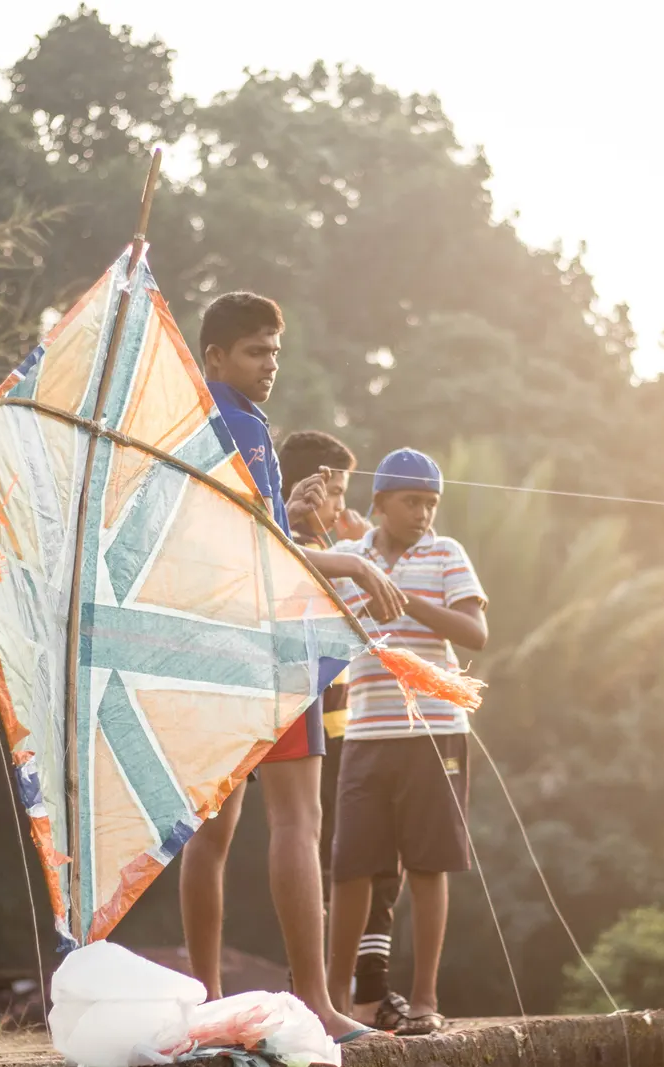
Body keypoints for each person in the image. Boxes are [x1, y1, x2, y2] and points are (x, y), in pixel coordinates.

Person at [178, 292, 406, 1044]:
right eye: (253, 352)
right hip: (267, 642)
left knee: (211, 830)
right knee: (297, 821)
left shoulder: (194, 419)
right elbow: (256, 549)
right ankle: (315, 999)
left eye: (275, 351)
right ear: (214, 356)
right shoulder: (238, 423)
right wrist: (338, 554)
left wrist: (302, 526)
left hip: (210, 638)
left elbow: (253, 535)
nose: (268, 365)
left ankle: (207, 996)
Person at [326, 448, 488, 1037]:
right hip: (367, 733)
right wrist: (371, 586)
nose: (422, 514)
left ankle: (424, 999)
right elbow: (325, 627)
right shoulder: (348, 558)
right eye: (411, 502)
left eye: (431, 504)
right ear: (379, 504)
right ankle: (335, 1001)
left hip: (435, 732)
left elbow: (475, 632)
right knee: (351, 868)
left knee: (427, 864)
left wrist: (403, 597)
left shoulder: (447, 554)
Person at [278, 431, 410, 1032]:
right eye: (334, 492)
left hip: (324, 716)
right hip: (310, 715)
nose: (340, 504)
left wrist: (346, 540)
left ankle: (321, 989)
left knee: (335, 848)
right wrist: (354, 553)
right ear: (309, 489)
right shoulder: (300, 545)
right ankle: (325, 993)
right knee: (323, 843)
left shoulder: (317, 541)